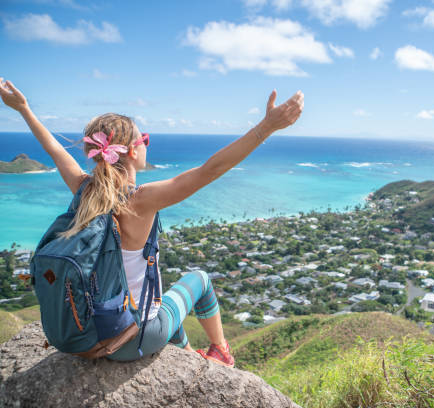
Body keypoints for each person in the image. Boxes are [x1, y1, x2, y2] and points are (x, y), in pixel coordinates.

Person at [0, 77, 304, 367]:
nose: (147, 143)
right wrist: (267, 127)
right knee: (200, 279)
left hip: (87, 339)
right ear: (132, 150)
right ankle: (222, 353)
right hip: (128, 341)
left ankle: (188, 356)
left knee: (160, 310)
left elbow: (54, 150)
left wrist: (23, 108)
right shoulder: (140, 200)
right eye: (144, 139)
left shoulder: (84, 189)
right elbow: (209, 170)